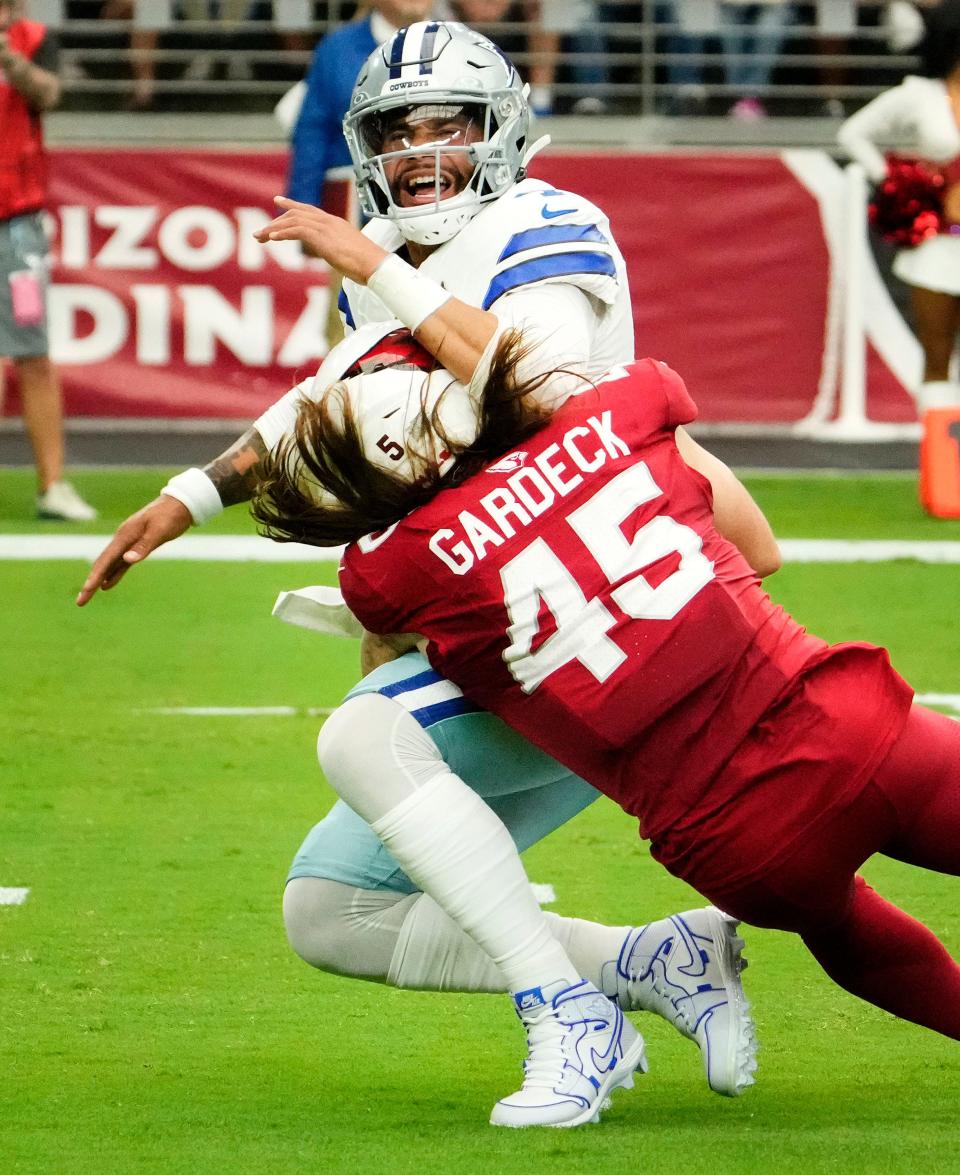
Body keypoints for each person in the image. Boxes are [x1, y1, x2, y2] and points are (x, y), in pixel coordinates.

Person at [77, 21, 760, 1124]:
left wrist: (369, 262)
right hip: (506, 622)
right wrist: (190, 495)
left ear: (502, 130)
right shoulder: (390, 270)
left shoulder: (550, 221)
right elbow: (332, 400)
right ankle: (650, 962)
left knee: (360, 737)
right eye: (400, 130)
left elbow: (541, 393)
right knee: (332, 910)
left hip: (610, 610)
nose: (424, 149)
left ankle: (566, 1015)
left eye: (450, 123)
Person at [253, 325, 960, 1070]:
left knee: (839, 922)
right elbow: (757, 548)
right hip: (846, 723)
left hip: (738, 841)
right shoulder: (609, 414)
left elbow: (389, 620)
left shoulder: (397, 568)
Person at [285, 0, 435, 350]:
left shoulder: (461, 43)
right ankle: (343, 398)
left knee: (438, 309)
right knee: (346, 322)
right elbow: (312, 131)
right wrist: (303, 210)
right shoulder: (337, 48)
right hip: (355, 208)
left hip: (440, 202)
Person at [837, 0, 960, 410]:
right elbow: (854, 133)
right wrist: (900, 182)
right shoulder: (920, 95)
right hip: (939, 246)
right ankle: (940, 466)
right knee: (938, 357)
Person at [0, 0, 96, 520]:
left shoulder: (34, 39)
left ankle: (53, 486)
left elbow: (49, 93)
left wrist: (6, 57)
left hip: (16, 227)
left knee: (32, 354)